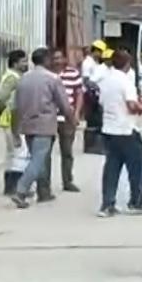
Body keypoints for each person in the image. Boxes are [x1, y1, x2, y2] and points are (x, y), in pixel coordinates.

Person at [10, 47, 77, 208]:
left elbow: (15, 107)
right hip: (44, 124)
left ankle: (43, 193)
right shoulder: (52, 79)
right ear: (46, 60)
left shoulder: (23, 78)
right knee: (38, 161)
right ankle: (20, 190)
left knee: (37, 159)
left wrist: (15, 130)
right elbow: (64, 104)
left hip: (27, 124)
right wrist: (71, 119)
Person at [97, 49, 142, 216]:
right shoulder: (126, 81)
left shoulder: (106, 80)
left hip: (109, 129)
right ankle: (136, 201)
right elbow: (131, 105)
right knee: (138, 165)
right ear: (128, 64)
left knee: (112, 167)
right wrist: (141, 107)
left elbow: (102, 102)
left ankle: (107, 204)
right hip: (126, 129)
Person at [49, 49, 84, 194]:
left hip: (67, 118)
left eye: (59, 58)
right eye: (54, 58)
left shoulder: (73, 73)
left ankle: (68, 181)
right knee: (45, 153)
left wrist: (76, 114)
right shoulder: (48, 74)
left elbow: (79, 93)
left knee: (67, 152)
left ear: (64, 59)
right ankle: (44, 185)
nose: (57, 61)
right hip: (49, 118)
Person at [0, 49, 26, 195]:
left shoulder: (13, 76)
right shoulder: (13, 78)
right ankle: (13, 187)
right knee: (17, 153)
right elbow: (1, 97)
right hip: (10, 118)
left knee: (11, 154)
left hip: (9, 118)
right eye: (23, 61)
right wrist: (0, 111)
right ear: (15, 63)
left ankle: (9, 186)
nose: (26, 64)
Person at [82, 40, 109, 155]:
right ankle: (90, 146)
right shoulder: (88, 63)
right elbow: (86, 80)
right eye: (100, 52)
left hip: (96, 95)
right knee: (92, 121)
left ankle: (95, 145)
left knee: (98, 121)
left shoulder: (95, 63)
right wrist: (96, 89)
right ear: (96, 51)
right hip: (90, 94)